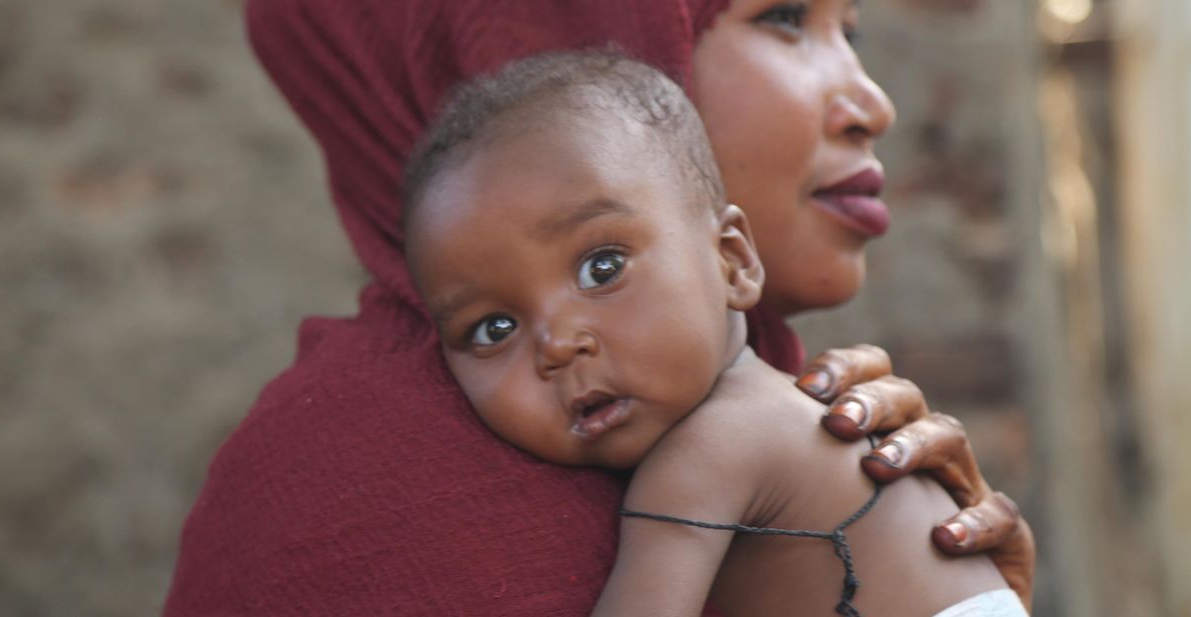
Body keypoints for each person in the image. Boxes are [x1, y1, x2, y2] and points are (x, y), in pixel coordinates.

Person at [163, 1, 1035, 615]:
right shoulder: (349, 507)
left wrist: (964, 581)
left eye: (853, 29)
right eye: (782, 16)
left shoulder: (772, 412)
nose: (872, 103)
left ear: (732, 257)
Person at [403, 50, 1025, 617]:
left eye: (603, 268)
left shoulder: (713, 448)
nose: (557, 344)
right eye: (494, 328)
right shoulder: (796, 414)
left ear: (733, 261)